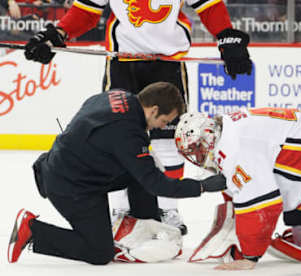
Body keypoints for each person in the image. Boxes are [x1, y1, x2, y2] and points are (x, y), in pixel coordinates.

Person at [22, 0, 252, 235]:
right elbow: (86, 10)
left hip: (167, 61)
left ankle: (167, 208)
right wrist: (57, 34)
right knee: (118, 137)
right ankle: (122, 210)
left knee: (168, 140)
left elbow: (209, 6)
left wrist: (227, 37)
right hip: (123, 61)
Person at [7, 81, 227, 265]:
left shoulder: (117, 95)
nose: (161, 127)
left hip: (72, 165)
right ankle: (32, 231)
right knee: (99, 253)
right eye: (164, 121)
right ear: (153, 109)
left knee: (144, 168)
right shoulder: (129, 132)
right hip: (71, 186)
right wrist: (202, 186)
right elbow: (156, 185)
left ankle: (141, 225)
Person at [175, 108, 301, 270]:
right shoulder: (227, 130)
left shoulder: (238, 147)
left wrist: (250, 256)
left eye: (197, 148)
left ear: (208, 135)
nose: (196, 157)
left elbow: (260, 204)